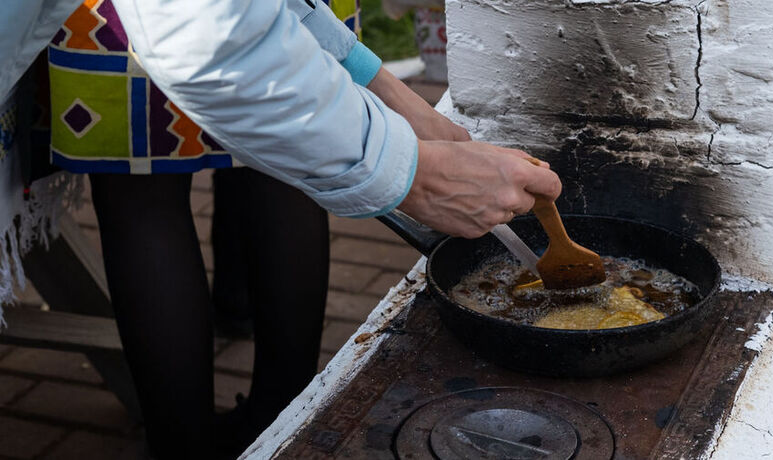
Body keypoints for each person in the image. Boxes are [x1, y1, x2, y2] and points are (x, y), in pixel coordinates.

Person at [1, 0, 562, 458]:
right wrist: (417, 175)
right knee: (243, 176)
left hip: (182, 24)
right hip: (180, 25)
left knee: (141, 192)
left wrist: (390, 94)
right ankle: (269, 418)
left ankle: (226, 435)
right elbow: (203, 34)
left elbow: (257, 15)